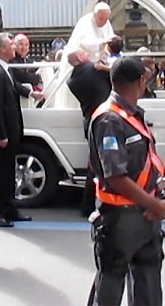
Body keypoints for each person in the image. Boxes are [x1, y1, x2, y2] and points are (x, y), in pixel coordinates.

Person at [87, 56, 165, 306]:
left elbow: (150, 163)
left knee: (148, 288)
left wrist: (160, 197)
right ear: (141, 81)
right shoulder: (109, 119)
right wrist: (154, 205)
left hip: (145, 217)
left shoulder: (131, 115)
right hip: (119, 218)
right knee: (110, 288)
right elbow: (115, 176)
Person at [0, 33, 33, 227]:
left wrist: (30, 92)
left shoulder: (4, 69)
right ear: (1, 49)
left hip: (11, 129)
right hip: (1, 134)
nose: (14, 47)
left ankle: (10, 208)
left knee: (8, 173)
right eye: (10, 44)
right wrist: (1, 134)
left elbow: (14, 86)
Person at [66, 48, 112, 217]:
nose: (88, 53)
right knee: (105, 164)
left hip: (90, 121)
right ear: (79, 57)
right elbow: (120, 75)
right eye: (84, 52)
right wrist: (108, 68)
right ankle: (100, 202)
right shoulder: (95, 69)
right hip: (106, 120)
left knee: (93, 163)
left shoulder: (71, 80)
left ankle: (87, 204)